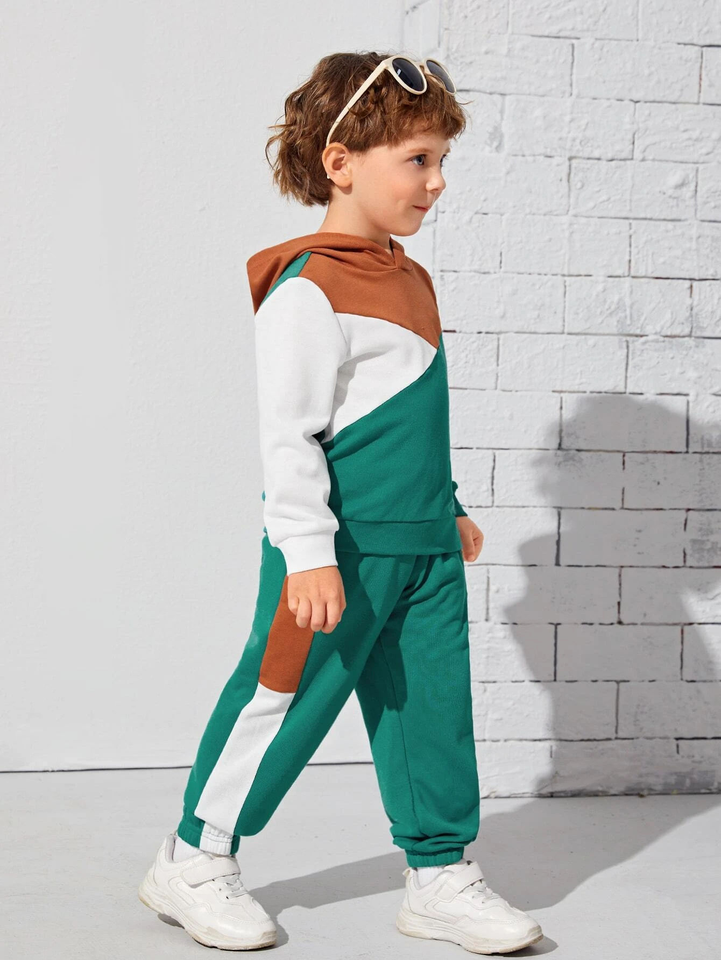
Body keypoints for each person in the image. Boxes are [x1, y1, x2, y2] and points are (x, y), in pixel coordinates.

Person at [138, 50, 543, 954]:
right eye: (417, 159)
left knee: (431, 710)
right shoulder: (307, 290)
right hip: (338, 550)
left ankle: (438, 872)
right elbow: (290, 436)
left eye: (442, 160)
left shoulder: (411, 279)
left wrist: (448, 504)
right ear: (340, 162)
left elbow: (410, 415)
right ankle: (192, 858)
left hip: (423, 546)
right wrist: (307, 553)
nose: (436, 181)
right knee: (280, 700)